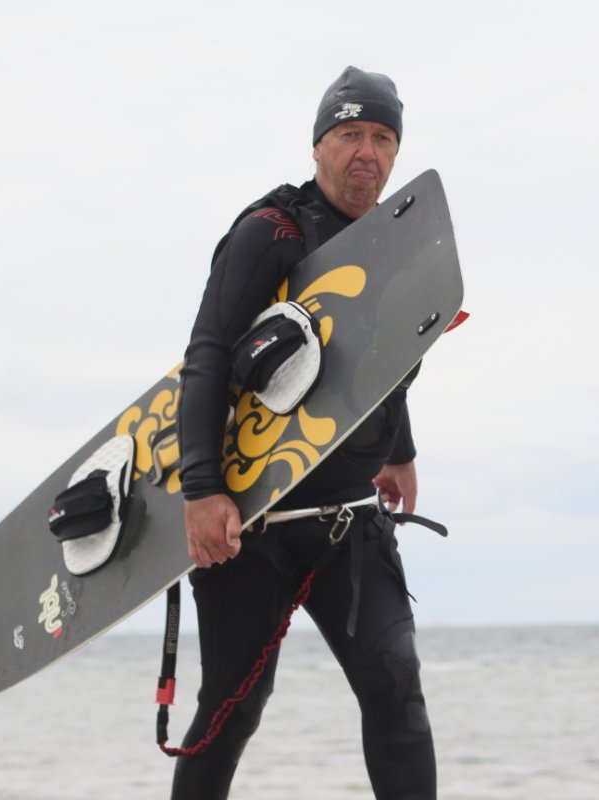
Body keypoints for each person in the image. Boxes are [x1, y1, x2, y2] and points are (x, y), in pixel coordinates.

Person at [173, 66, 436, 800]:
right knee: (232, 709)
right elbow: (207, 357)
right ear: (318, 145)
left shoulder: (390, 243)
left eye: (383, 138)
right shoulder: (271, 233)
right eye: (350, 134)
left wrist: (400, 452)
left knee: (396, 690)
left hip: (348, 517)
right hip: (253, 522)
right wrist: (201, 490)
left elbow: (374, 363)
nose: (367, 152)